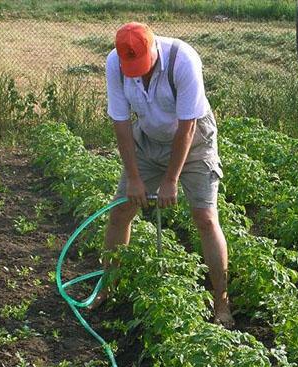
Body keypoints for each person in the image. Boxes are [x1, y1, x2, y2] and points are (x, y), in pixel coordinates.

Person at [90, 22, 234, 329]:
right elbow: (121, 123)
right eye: (133, 69)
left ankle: (221, 303)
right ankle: (108, 287)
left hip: (194, 143)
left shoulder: (183, 60)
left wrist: (171, 180)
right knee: (120, 213)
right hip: (148, 140)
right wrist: (133, 177)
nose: (139, 74)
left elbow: (188, 126)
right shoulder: (114, 64)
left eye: (143, 67)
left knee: (205, 218)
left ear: (155, 49)